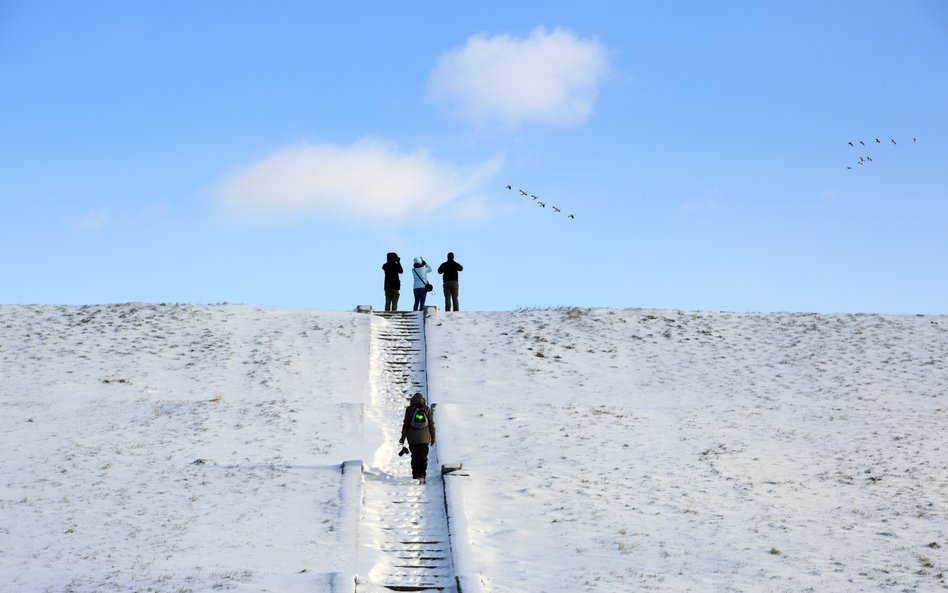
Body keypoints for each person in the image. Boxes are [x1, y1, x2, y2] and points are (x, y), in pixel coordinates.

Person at [399, 392, 436, 483]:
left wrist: (403, 437)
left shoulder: (409, 409)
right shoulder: (426, 409)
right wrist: (433, 437)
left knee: (415, 456)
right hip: (424, 438)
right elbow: (431, 424)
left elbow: (406, 424)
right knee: (423, 457)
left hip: (412, 439)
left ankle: (415, 474)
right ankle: (422, 474)